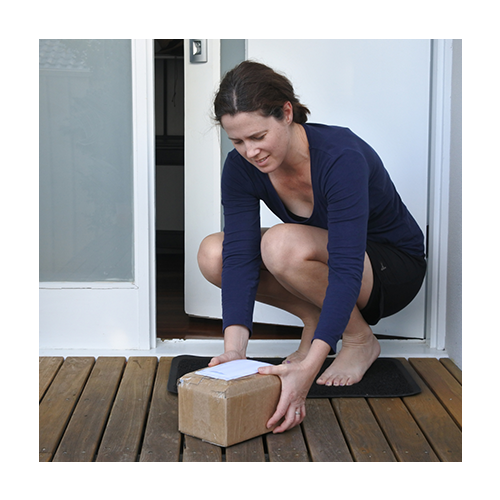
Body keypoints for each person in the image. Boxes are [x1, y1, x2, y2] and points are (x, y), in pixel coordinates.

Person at [197, 61, 426, 434]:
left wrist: (310, 365)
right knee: (214, 253)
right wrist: (235, 350)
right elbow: (239, 254)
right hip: (330, 259)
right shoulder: (240, 168)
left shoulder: (340, 157)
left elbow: (348, 264)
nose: (250, 152)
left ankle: (359, 339)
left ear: (286, 112)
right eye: (237, 141)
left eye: (258, 136)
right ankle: (318, 319)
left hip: (389, 266)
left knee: (280, 243)